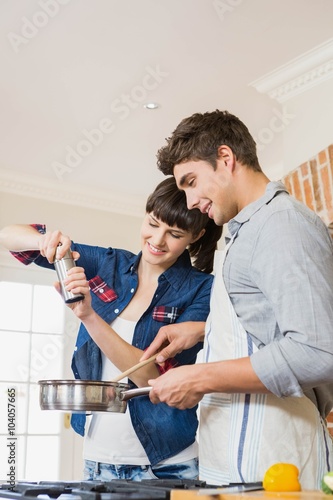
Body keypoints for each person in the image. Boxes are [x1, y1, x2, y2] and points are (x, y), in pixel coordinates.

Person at [141, 110, 333, 489]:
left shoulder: (282, 224)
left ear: (226, 159)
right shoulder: (240, 229)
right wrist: (202, 332)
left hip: (275, 462)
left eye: (192, 182)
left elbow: (318, 351)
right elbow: (267, 322)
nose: (191, 201)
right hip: (233, 462)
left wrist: (199, 377)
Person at [0, 177, 222, 481]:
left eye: (174, 233)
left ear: (195, 236)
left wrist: (89, 316)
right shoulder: (107, 264)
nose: (157, 240)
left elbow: (152, 376)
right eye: (153, 223)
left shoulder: (202, 289)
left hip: (167, 466)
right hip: (96, 461)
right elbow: (8, 237)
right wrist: (45, 243)